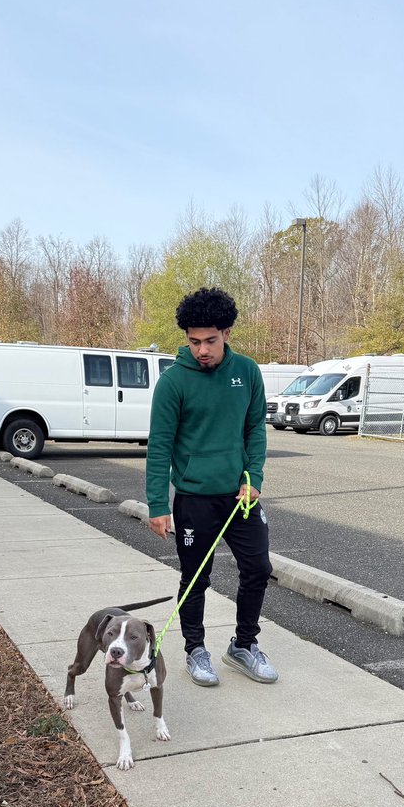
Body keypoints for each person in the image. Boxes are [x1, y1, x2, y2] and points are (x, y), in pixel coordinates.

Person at [146, 287, 277, 686]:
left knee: (258, 568)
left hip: (240, 497)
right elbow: (160, 446)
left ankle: (243, 645)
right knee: (196, 577)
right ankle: (194, 649)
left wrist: (253, 478)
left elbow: (254, 429)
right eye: (193, 341)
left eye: (210, 340)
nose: (202, 349)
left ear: (227, 333)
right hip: (194, 499)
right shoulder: (173, 383)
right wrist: (157, 505)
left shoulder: (248, 373)